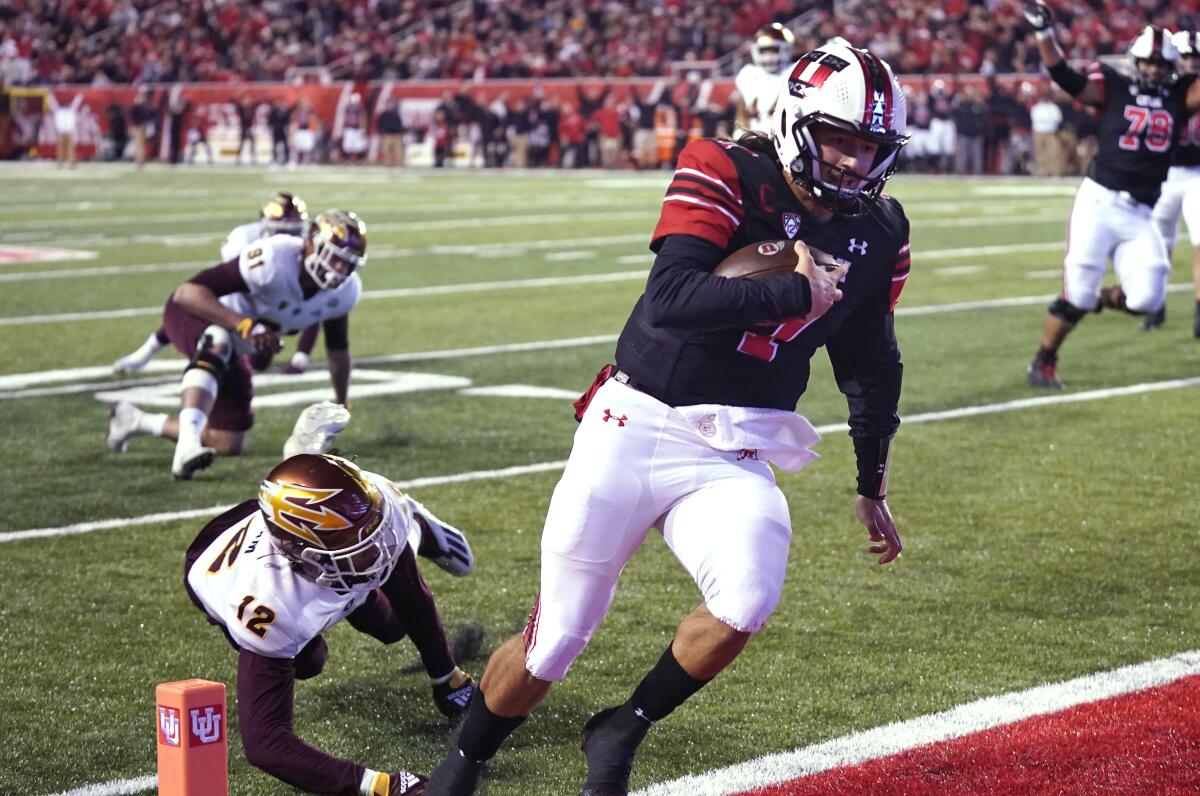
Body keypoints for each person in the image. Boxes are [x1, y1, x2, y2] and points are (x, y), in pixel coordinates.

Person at [425, 42, 909, 796]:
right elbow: (671, 300)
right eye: (840, 140)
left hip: (736, 448)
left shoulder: (881, 231)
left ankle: (623, 725)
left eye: (870, 147)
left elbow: (871, 361)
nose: (854, 162)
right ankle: (465, 761)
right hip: (638, 421)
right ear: (795, 123)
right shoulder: (725, 168)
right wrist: (791, 289)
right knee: (555, 643)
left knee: (748, 596)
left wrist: (872, 481)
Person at [185, 452, 477, 795]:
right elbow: (265, 742)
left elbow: (413, 595)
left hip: (316, 561)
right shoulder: (268, 603)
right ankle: (303, 456)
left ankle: (419, 528)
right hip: (215, 559)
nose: (381, 549)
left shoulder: (377, 506)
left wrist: (447, 679)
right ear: (306, 554)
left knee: (392, 624)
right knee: (309, 661)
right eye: (359, 544)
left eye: (375, 530)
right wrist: (381, 786)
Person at [106, 209, 367, 479]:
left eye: (347, 264)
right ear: (312, 244)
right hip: (196, 314)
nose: (339, 270)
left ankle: (132, 420)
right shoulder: (275, 258)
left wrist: (341, 401)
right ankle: (186, 447)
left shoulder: (345, 292)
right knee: (216, 340)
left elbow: (337, 350)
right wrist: (245, 325)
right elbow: (188, 293)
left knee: (226, 442)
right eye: (334, 259)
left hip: (237, 343)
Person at [1023, 3, 1200, 389]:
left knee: (1149, 295)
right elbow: (1065, 76)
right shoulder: (1113, 84)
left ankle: (1096, 300)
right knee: (1078, 292)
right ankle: (1043, 361)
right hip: (1099, 202)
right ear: (1134, 61)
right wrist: (1044, 34)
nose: (1154, 70)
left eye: (1161, 64)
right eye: (1148, 63)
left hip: (1141, 213)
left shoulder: (1180, 95)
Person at [114, 193, 320, 376]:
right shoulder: (245, 239)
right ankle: (147, 351)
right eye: (280, 232)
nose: (286, 239)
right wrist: (246, 324)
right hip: (242, 295)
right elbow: (235, 282)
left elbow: (317, 307)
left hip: (278, 304)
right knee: (196, 307)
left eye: (292, 233)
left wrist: (299, 358)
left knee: (259, 361)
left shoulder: (308, 251)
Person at [1146, 30, 1200, 335]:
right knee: (1157, 246)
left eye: (1196, 57)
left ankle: (1199, 313)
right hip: (1164, 175)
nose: (1191, 62)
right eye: (1186, 57)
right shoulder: (1160, 90)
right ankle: (1156, 305)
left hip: (1197, 174)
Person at [733, 23, 795, 133]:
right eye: (764, 51)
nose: (768, 55)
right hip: (754, 135)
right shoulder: (748, 74)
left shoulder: (793, 71)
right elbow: (742, 112)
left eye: (773, 50)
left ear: (785, 49)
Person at [47, 90, 83, 168]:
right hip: (61, 132)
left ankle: (71, 163)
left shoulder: (71, 110)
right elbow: (53, 103)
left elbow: (76, 103)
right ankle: (60, 163)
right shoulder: (58, 111)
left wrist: (79, 95)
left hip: (69, 132)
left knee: (70, 149)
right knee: (60, 148)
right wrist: (49, 96)